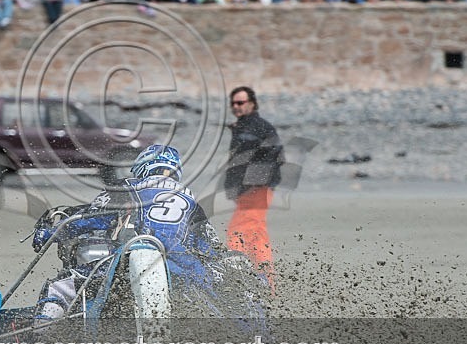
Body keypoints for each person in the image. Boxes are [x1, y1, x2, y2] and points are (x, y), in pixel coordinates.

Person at [32, 145, 232, 322]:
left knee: (59, 287)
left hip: (129, 263)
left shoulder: (129, 186)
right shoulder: (192, 202)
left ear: (144, 166)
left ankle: (42, 339)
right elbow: (210, 248)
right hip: (183, 268)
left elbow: (89, 219)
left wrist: (49, 233)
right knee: (217, 301)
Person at [224, 86, 283, 293]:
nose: (236, 106)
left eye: (240, 102)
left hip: (256, 190)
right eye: (233, 103)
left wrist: (254, 182)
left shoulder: (258, 127)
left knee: (238, 233)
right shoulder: (243, 127)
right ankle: (266, 283)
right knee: (256, 235)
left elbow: (276, 155)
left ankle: (236, 279)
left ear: (252, 104)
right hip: (248, 191)